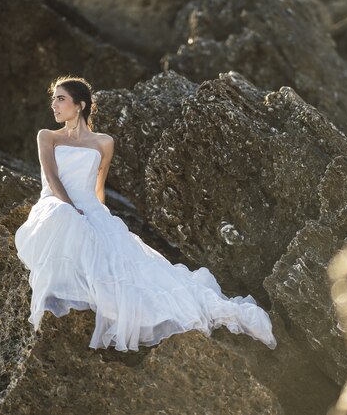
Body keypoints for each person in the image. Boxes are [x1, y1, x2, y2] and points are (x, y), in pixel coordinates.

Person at [14, 75, 277, 352]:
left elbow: (97, 188)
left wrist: (101, 221)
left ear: (79, 105)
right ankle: (59, 295)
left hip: (88, 207)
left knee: (126, 264)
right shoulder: (48, 137)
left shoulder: (104, 142)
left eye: (60, 98)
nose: (53, 104)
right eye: (53, 98)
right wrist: (72, 207)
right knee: (64, 218)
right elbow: (52, 178)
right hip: (55, 202)